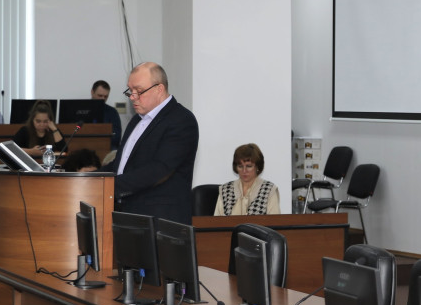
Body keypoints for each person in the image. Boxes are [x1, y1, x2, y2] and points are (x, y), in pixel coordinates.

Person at [101, 62, 198, 224]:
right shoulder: (136, 120)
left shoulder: (181, 119)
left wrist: (109, 187)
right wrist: (90, 178)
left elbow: (160, 169)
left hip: (161, 220)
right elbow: (122, 164)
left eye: (139, 91)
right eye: (130, 91)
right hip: (128, 214)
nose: (132, 97)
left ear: (159, 89)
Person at [214, 143, 280, 216]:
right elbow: (216, 221)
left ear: (257, 167)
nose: (244, 171)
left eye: (249, 166)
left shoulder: (269, 190)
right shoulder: (225, 190)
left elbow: (275, 221)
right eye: (240, 166)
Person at [91, 80, 122, 149]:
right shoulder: (82, 110)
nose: (103, 99)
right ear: (92, 92)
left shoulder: (112, 112)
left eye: (105, 96)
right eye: (100, 95)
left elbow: (116, 137)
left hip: (107, 148)